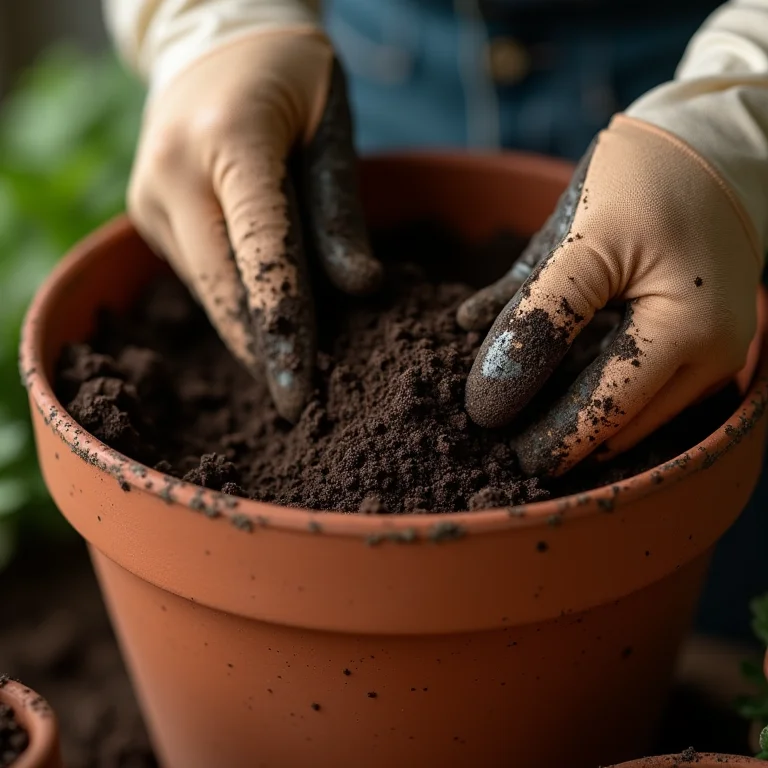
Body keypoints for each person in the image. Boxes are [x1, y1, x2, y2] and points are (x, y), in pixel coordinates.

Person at [103, 0, 768, 639]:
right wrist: (214, 23)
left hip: (677, 80)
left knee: (708, 594)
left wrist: (737, 117)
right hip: (388, 67)